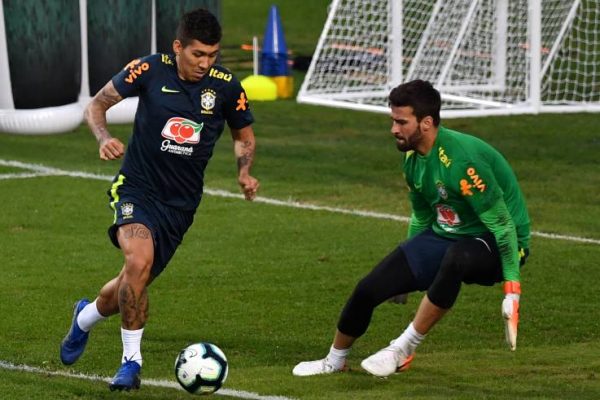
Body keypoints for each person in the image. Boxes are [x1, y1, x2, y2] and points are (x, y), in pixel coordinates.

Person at [59, 8, 259, 391]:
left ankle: (83, 318)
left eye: (212, 55)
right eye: (197, 54)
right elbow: (97, 105)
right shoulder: (149, 70)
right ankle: (130, 365)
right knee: (138, 259)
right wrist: (104, 138)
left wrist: (244, 172)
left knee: (130, 284)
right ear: (177, 47)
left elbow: (243, 135)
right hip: (136, 188)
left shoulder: (227, 87)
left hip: (180, 206)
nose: (205, 63)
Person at [293, 79, 530, 378]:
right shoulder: (412, 159)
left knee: (457, 257)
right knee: (368, 290)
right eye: (393, 120)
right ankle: (334, 360)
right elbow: (421, 214)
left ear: (426, 122)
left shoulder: (463, 162)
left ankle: (402, 348)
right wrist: (409, 273)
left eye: (401, 122)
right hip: (450, 233)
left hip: (497, 242)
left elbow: (503, 225)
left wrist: (512, 291)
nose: (393, 129)